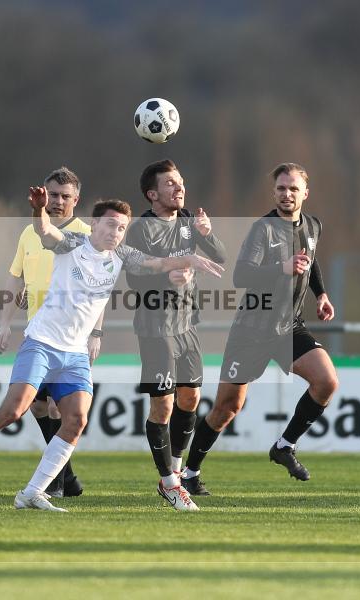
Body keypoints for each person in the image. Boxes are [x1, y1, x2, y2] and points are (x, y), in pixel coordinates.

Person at [0, 188, 224, 512]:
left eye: (121, 227)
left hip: (75, 354)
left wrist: (190, 258)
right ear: (94, 225)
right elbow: (45, 231)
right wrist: (38, 210)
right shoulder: (73, 245)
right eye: (110, 225)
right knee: (13, 410)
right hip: (41, 342)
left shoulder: (122, 255)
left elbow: (158, 263)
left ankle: (32, 492)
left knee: (77, 420)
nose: (115, 232)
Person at [183, 163, 339, 491]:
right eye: (281, 188)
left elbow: (311, 259)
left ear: (305, 194)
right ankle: (190, 473)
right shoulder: (263, 229)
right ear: (274, 192)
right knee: (228, 406)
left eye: (293, 189)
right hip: (252, 329)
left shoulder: (313, 225)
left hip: (289, 327)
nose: (287, 194)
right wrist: (281, 267)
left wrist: (321, 293)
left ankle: (285, 445)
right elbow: (242, 275)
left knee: (326, 381)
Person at [124, 159, 226, 507]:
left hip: (187, 325)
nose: (179, 187)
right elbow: (133, 277)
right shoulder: (141, 229)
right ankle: (169, 482)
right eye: (170, 183)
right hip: (156, 328)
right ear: (152, 194)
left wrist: (207, 233)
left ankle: (178, 473)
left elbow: (220, 257)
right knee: (163, 406)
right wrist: (165, 277)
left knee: (190, 400)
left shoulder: (187, 222)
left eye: (180, 181)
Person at [0, 166, 101, 498]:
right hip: (37, 334)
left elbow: (100, 288)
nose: (57, 201)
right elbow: (17, 278)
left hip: (70, 336)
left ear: (76, 199)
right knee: (38, 407)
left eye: (64, 196)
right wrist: (4, 322)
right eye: (53, 195)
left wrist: (96, 332)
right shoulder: (30, 232)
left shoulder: (87, 234)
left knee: (58, 408)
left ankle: (54, 483)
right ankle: (66, 477)